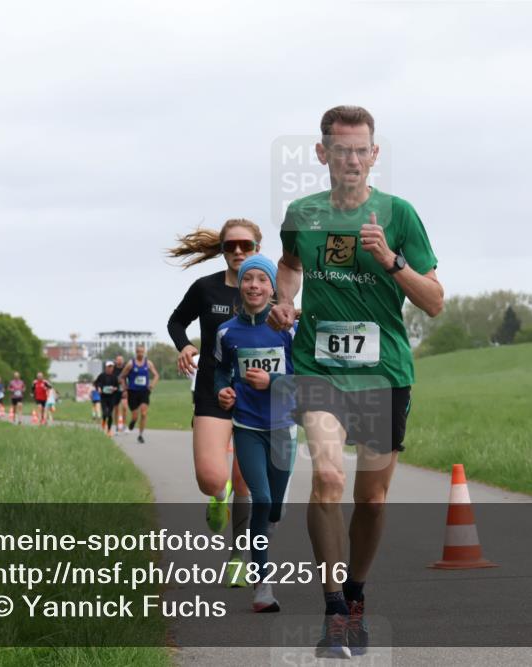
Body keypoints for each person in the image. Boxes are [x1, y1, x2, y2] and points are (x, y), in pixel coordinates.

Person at [268, 105, 443, 658]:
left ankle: (358, 592)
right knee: (326, 475)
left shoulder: (399, 214)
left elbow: (434, 301)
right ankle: (334, 606)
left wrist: (391, 260)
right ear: (321, 153)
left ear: (374, 154)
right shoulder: (302, 212)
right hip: (319, 367)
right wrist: (284, 300)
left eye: (360, 149)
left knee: (371, 498)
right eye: (339, 149)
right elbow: (291, 263)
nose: (350, 158)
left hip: (384, 371)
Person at [167, 218, 258, 586]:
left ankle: (238, 558)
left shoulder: (268, 290)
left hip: (255, 396)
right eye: (231, 245)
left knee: (246, 480)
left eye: (246, 246)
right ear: (222, 250)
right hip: (211, 392)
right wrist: (185, 345)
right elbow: (176, 322)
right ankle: (217, 496)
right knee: (212, 477)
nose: (238, 251)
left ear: (256, 249)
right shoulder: (205, 289)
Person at [214, 255, 298, 613]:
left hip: (283, 426)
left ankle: (261, 535)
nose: (253, 286)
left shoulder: (289, 330)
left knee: (275, 508)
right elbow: (220, 371)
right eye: (248, 279)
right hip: (247, 426)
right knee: (260, 499)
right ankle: (262, 584)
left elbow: (306, 378)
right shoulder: (227, 332)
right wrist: (224, 391)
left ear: (272, 288)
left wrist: (274, 380)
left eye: (262, 280)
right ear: (240, 285)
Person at [120, 343, 160, 444]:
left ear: (144, 352)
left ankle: (141, 435)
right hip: (133, 392)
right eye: (138, 352)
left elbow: (156, 375)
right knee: (135, 416)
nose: (140, 354)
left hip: (144, 392)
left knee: (143, 413)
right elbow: (122, 377)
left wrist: (151, 386)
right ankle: (132, 423)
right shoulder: (130, 364)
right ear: (136, 352)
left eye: (142, 352)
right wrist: (125, 388)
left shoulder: (148, 363)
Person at [94, 361, 122, 435]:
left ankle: (109, 430)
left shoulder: (114, 377)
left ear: (113, 368)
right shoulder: (102, 376)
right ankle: (103, 421)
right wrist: (99, 388)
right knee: (105, 413)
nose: (110, 368)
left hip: (112, 397)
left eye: (111, 367)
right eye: (108, 367)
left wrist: (115, 389)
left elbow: (117, 387)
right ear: (106, 367)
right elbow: (96, 383)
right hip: (103, 397)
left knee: (109, 414)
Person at [114, 354, 128, 431]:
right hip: (115, 391)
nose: (119, 361)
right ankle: (116, 426)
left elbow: (128, 379)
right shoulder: (113, 369)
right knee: (116, 409)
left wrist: (126, 390)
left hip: (124, 391)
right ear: (116, 361)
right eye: (118, 359)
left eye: (121, 359)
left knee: (124, 408)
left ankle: (124, 425)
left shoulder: (126, 368)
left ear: (123, 361)